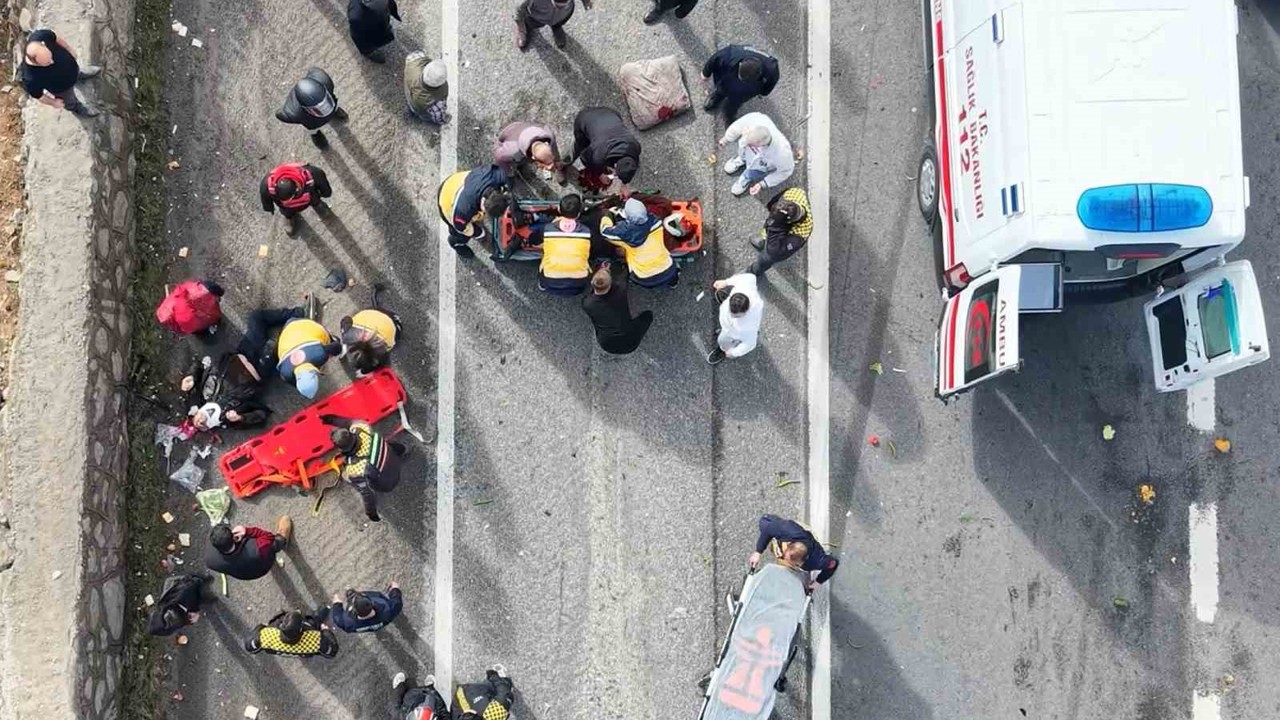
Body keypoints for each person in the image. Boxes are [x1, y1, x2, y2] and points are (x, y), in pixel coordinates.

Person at [180, 306, 305, 432]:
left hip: (243, 353)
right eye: (201, 425)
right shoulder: (228, 420)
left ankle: (297, 313)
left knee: (257, 317)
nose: (199, 421)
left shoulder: (200, 396)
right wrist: (241, 418)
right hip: (259, 368)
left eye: (195, 420)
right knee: (281, 342)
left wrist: (190, 376)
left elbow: (199, 365)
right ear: (207, 427)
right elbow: (261, 415)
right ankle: (302, 328)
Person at [322, 415, 408, 522]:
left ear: (341, 449)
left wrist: (371, 513)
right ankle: (403, 451)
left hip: (389, 484)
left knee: (346, 476)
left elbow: (367, 494)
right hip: (394, 460)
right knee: (382, 443)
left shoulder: (355, 468)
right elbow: (349, 422)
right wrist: (331, 419)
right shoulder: (363, 429)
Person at [20, 28, 102, 117]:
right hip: (62, 89)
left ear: (43, 44)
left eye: (50, 57)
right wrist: (53, 102)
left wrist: (69, 50)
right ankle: (77, 108)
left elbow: (56, 39)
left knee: (76, 72)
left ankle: (79, 74)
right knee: (69, 100)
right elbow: (39, 96)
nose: (52, 61)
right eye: (47, 63)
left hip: (72, 68)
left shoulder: (41, 36)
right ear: (35, 62)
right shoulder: (30, 78)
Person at [601, 198, 678, 289]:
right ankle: (673, 284)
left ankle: (646, 285)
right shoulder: (657, 223)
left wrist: (608, 214)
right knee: (671, 275)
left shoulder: (623, 236)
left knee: (622, 253)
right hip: (668, 269)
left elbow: (604, 231)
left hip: (644, 277)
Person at [436, 164, 510, 258]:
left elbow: (506, 176)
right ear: (483, 204)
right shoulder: (463, 211)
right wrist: (480, 234)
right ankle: (456, 243)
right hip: (447, 201)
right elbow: (461, 227)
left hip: (457, 182)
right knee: (461, 234)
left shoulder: (494, 176)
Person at [749, 514, 840, 590]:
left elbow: (833, 563)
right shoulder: (789, 530)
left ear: (801, 562)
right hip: (791, 531)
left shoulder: (818, 561)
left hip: (810, 550)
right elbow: (768, 528)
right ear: (790, 545)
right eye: (785, 556)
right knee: (765, 523)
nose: (784, 558)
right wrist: (758, 552)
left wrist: (818, 582)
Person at [718, 112, 794, 197]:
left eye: (750, 144)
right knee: (744, 150)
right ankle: (742, 159)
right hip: (747, 153)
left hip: (761, 166)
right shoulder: (757, 119)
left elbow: (785, 172)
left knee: (755, 171)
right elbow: (738, 125)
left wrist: (763, 183)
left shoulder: (782, 154)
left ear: (761, 144)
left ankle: (747, 177)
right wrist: (726, 139)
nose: (747, 144)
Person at [582, 265, 653, 355]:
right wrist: (606, 270)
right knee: (648, 316)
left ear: (592, 283)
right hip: (630, 343)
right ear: (611, 282)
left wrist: (600, 270)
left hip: (605, 344)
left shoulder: (587, 303)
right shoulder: (620, 289)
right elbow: (626, 272)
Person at [529, 194, 592, 295]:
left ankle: (542, 284)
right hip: (579, 283)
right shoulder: (587, 232)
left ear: (558, 209)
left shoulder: (547, 229)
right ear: (578, 214)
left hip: (549, 280)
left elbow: (532, 240)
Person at [571, 107, 640, 196]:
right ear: (615, 166)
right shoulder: (598, 156)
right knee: (580, 146)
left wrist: (624, 185)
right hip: (584, 118)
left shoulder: (635, 146)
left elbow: (634, 162)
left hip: (610, 113)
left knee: (597, 139)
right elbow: (584, 157)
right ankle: (562, 163)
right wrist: (600, 174)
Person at [701, 45, 779, 122]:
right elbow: (715, 58)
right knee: (722, 87)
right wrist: (705, 74)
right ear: (740, 64)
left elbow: (770, 84)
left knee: (735, 103)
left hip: (747, 90)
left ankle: (729, 113)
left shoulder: (771, 70)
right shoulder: (731, 54)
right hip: (728, 78)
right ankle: (717, 96)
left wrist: (763, 92)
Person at [276, 68, 349, 150]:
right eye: (319, 109)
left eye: (325, 104)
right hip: (311, 121)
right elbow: (280, 113)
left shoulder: (325, 82)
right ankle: (316, 135)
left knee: (333, 101)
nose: (325, 109)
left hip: (320, 109)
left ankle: (334, 110)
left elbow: (279, 113)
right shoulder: (294, 113)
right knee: (312, 128)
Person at [205, 518, 293, 581]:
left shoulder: (209, 560)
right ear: (234, 538)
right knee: (272, 545)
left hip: (247, 574)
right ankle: (283, 539)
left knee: (262, 554)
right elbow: (268, 536)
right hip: (263, 567)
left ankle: (269, 563)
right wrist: (247, 531)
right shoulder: (258, 548)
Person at [276, 315, 342, 399]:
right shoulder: (285, 372)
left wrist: (336, 347)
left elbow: (337, 347)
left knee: (331, 341)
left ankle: (332, 338)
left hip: (302, 326)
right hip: (286, 331)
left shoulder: (320, 355)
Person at [260, 162, 333, 237]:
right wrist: (269, 208)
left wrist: (326, 193)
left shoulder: (312, 174)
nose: (288, 201)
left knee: (315, 199)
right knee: (286, 210)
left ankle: (318, 205)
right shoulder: (267, 186)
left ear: (297, 186)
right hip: (287, 207)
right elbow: (266, 200)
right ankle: (289, 217)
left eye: (290, 199)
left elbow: (323, 185)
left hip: (311, 196)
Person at [340, 284, 401, 374]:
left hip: (388, 321)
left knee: (395, 333)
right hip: (370, 314)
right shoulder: (348, 335)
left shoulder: (382, 353)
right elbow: (346, 319)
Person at [750, 187, 811, 276]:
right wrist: (773, 211)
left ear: (789, 222)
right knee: (769, 224)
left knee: (766, 259)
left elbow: (773, 251)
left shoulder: (800, 235)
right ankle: (763, 240)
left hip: (780, 246)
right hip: (777, 227)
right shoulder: (795, 193)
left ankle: (754, 272)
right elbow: (775, 201)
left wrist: (776, 225)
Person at [707, 272, 763, 365]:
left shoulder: (747, 328)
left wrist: (733, 353)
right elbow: (750, 277)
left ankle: (722, 350)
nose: (731, 316)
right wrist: (726, 282)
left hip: (730, 332)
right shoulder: (746, 287)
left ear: (746, 311)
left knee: (722, 340)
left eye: (736, 316)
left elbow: (750, 344)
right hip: (729, 326)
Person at [245, 609, 339, 659]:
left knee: (276, 620)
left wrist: (260, 627)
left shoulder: (265, 636)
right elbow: (331, 652)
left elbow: (250, 646)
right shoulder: (315, 640)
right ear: (301, 628)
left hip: (279, 649)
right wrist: (326, 631)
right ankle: (317, 617)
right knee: (312, 623)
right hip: (304, 652)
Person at [146, 573, 215, 636]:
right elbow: (169, 581)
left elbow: (195, 582)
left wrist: (195, 610)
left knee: (208, 594)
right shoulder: (165, 604)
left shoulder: (185, 595)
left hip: (195, 586)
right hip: (184, 596)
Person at [493, 120, 563, 179]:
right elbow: (498, 157)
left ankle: (558, 167)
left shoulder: (549, 137)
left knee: (551, 156)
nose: (550, 167)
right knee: (516, 160)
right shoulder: (513, 151)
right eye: (548, 165)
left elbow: (553, 151)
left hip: (524, 131)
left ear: (546, 144)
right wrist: (508, 173)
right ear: (534, 158)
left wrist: (557, 161)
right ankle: (519, 167)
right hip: (509, 136)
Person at [155, 279, 224, 338]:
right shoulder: (187, 315)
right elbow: (192, 324)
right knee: (202, 326)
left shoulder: (188, 291)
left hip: (171, 311)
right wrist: (215, 319)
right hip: (184, 319)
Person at [514, 0, 591, 51]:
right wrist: (520, 25)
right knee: (531, 23)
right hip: (538, 16)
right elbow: (518, 9)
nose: (560, 6)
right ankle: (524, 28)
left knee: (560, 20)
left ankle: (556, 27)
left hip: (562, 14)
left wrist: (586, 1)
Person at [329, 582, 403, 633]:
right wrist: (395, 588)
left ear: (354, 610)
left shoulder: (348, 623)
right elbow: (397, 602)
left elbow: (337, 618)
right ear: (372, 603)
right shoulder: (388, 609)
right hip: (383, 621)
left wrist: (337, 603)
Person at [404, 51, 450, 125]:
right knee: (424, 115)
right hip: (421, 106)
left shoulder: (413, 61)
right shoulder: (436, 103)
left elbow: (415, 55)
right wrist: (443, 121)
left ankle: (411, 111)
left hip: (409, 93)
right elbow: (438, 116)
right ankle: (417, 116)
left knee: (412, 105)